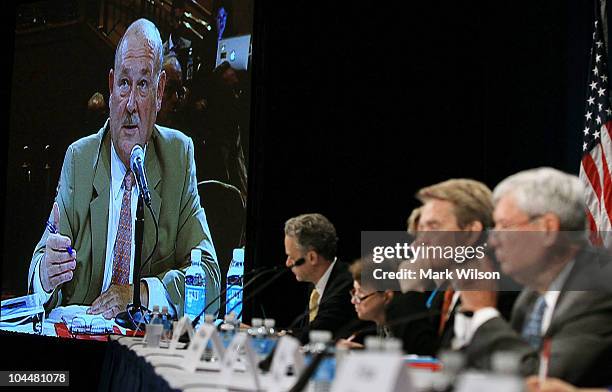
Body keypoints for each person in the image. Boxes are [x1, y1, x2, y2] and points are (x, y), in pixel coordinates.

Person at [27, 19, 220, 320]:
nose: (130, 104)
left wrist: (137, 294)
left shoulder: (178, 157)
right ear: (111, 86)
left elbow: (209, 277)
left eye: (143, 85)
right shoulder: (80, 159)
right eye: (124, 84)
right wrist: (45, 274)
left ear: (159, 93)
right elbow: (39, 268)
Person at [455, 167, 612, 385]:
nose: (493, 241)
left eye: (505, 226)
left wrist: (484, 311)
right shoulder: (533, 296)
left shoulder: (598, 289)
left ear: (547, 229)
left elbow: (543, 382)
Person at [399, 179, 501, 349]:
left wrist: (411, 292)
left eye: (433, 227)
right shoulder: (447, 289)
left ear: (470, 232)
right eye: (420, 231)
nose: (418, 244)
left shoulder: (500, 288)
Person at [337, 258, 437, 355]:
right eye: (354, 292)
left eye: (361, 294)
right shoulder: (380, 326)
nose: (353, 300)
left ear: (387, 296)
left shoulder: (409, 324)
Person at [284, 213, 358, 343]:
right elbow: (305, 330)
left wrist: (265, 336)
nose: (288, 263)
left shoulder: (345, 284)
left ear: (312, 257)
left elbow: (315, 334)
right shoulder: (316, 283)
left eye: (291, 257)